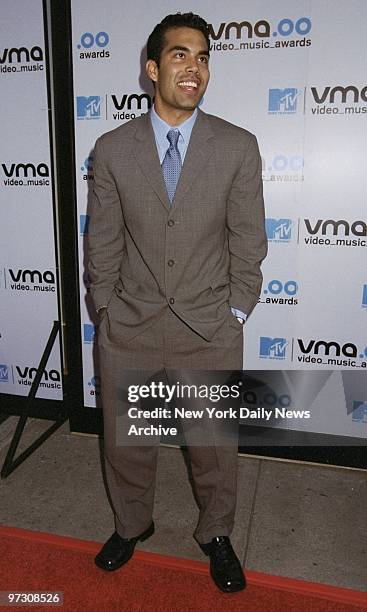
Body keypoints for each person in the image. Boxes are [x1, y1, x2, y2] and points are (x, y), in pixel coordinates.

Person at [88, 12, 267, 593]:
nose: (194, 67)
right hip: (131, 326)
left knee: (214, 452)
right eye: (180, 54)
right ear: (152, 66)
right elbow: (104, 241)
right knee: (127, 446)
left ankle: (216, 535)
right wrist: (105, 310)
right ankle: (132, 524)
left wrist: (237, 309)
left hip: (208, 327)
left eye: (204, 57)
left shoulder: (238, 147)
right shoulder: (112, 150)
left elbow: (249, 239)